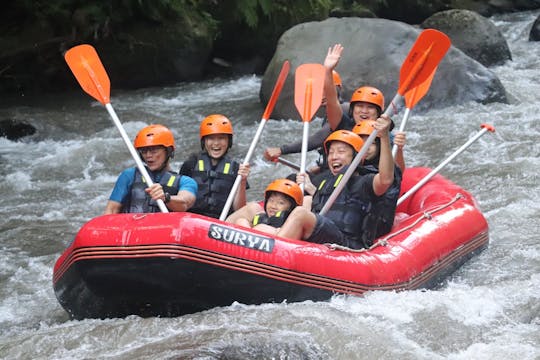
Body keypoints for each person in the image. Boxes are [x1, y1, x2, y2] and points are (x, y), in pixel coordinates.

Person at [276, 117, 395, 249]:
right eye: (331, 152)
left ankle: (274, 255)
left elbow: (386, 179)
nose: (333, 156)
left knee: (300, 214)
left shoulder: (364, 182)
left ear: (356, 157)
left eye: (341, 151)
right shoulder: (325, 182)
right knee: (265, 227)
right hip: (324, 239)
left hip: (349, 245)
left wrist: (384, 137)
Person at [323, 43, 407, 171]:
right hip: (341, 179)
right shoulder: (344, 125)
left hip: (372, 182)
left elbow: (399, 172)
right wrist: (328, 71)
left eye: (370, 108)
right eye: (360, 106)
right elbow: (331, 101)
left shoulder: (385, 136)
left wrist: (399, 149)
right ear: (352, 110)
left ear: (378, 112)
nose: (364, 111)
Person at [263, 70, 346, 177]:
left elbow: (319, 138)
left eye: (327, 90)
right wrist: (321, 167)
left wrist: (282, 149)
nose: (323, 95)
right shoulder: (328, 115)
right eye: (318, 91)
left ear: (337, 90)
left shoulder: (344, 109)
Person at [104, 124, 197, 214]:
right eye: (144, 151)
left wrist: (166, 197)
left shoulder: (186, 181)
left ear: (168, 151)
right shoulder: (129, 175)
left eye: (154, 150)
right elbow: (111, 210)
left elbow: (185, 203)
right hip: (132, 228)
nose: (148, 155)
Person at [179, 114, 250, 218]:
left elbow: (239, 209)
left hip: (222, 222)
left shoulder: (236, 168)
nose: (216, 143)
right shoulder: (191, 164)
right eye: (211, 138)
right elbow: (180, 198)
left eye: (221, 138)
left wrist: (243, 180)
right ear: (204, 141)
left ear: (228, 141)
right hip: (193, 220)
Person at [352, 120, 402, 247]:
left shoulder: (388, 172)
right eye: (360, 142)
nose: (365, 147)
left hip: (374, 226)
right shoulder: (347, 168)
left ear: (380, 146)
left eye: (371, 143)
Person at [228, 178, 305, 235]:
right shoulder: (262, 218)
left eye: (281, 203)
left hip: (275, 249)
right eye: (271, 201)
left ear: (291, 208)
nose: (273, 206)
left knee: (260, 228)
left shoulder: (290, 225)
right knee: (241, 221)